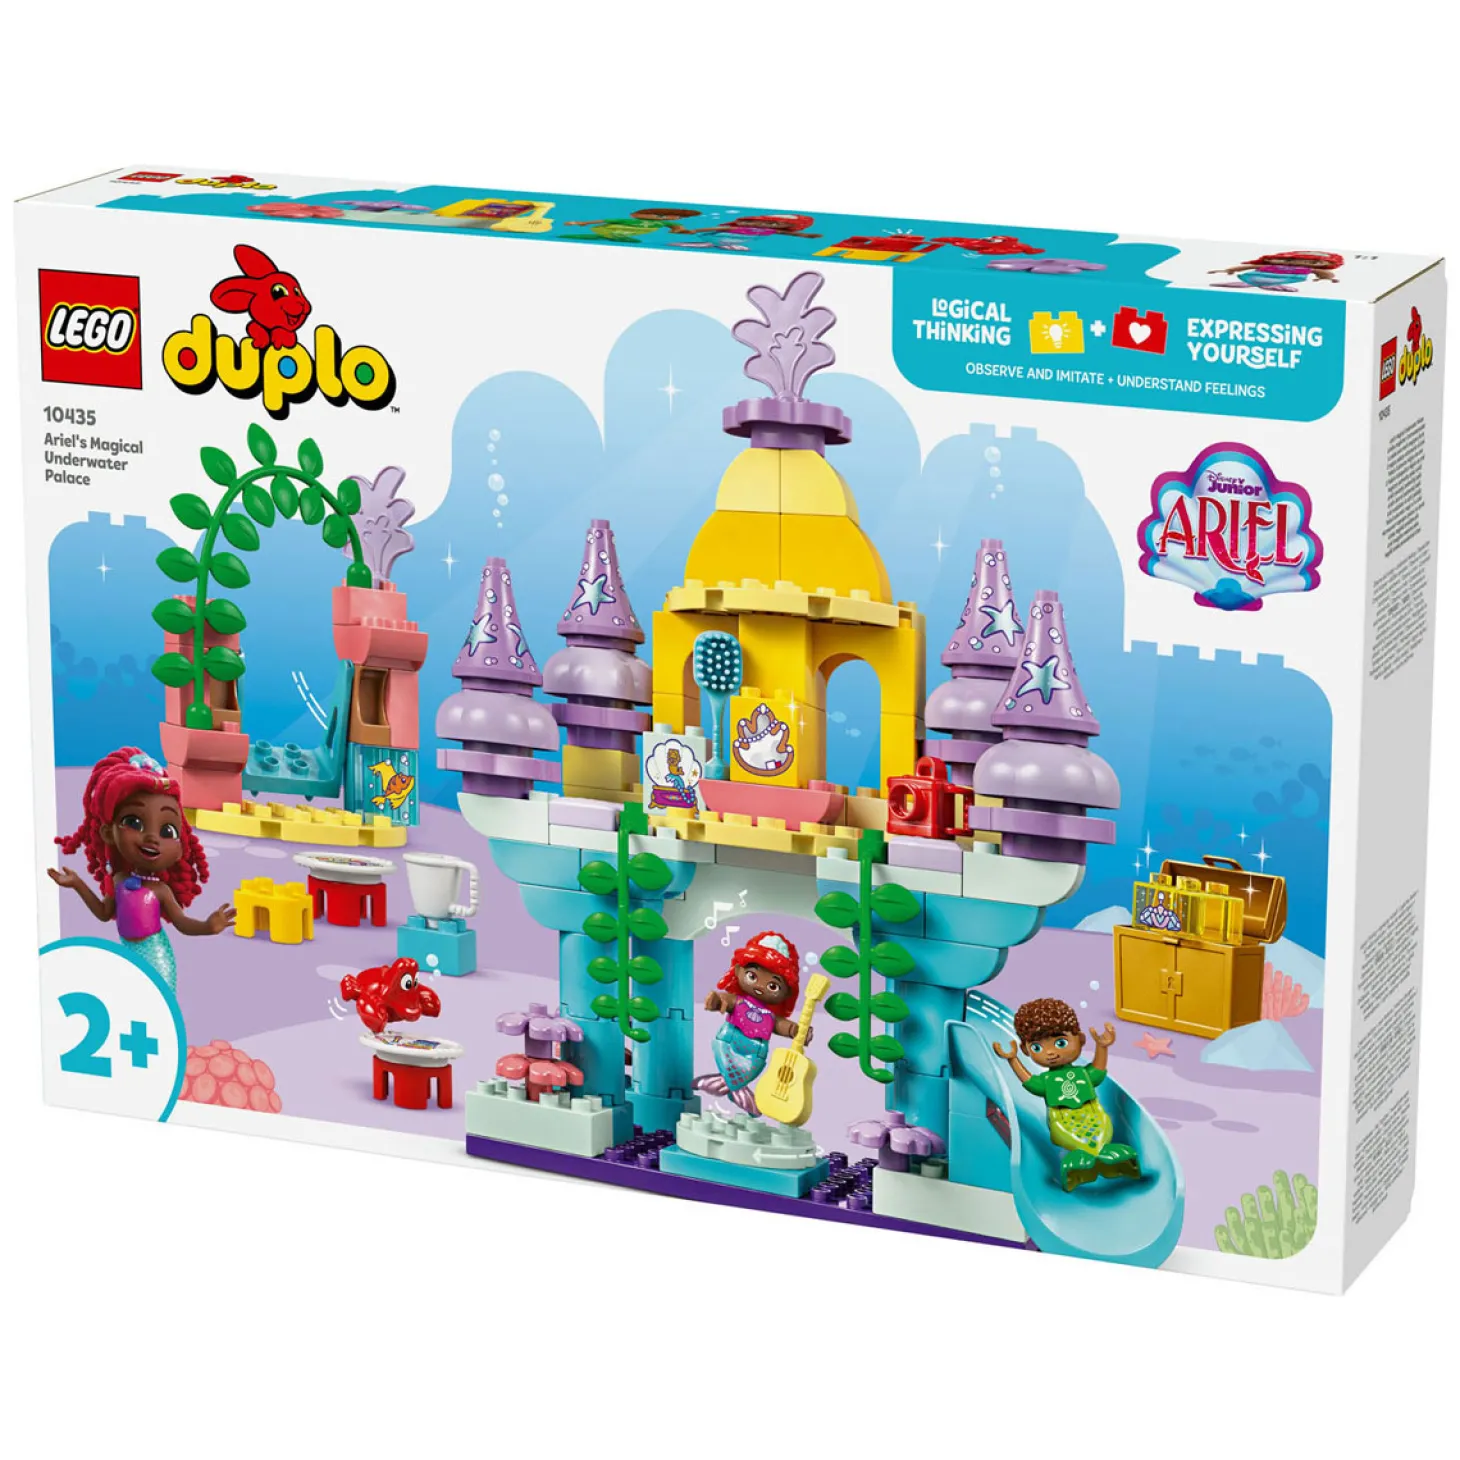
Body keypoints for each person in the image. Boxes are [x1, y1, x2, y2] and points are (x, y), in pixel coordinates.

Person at [48, 748, 235, 990]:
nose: (152, 838)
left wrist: (208, 927)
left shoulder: (160, 891)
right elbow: (104, 913)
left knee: (160, 997)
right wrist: (77, 884)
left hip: (157, 956)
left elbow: (182, 923)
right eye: (134, 822)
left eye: (167, 831)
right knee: (133, 998)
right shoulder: (119, 880)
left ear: (180, 848)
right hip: (129, 954)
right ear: (108, 832)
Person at [992, 997, 1141, 1192]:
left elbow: (1097, 1072)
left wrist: (1102, 1047)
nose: (1050, 1053)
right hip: (1061, 1120)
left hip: (1092, 1113)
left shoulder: (1082, 1074)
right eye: (1037, 1047)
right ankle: (1085, 1165)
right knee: (1077, 1144)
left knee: (1101, 1135)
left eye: (1060, 1043)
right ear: (1025, 1050)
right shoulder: (1047, 1081)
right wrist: (1012, 1060)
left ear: (1080, 1039)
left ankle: (1100, 1160)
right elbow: (1030, 1083)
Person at [695, 931, 806, 1117]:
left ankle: (729, 1086)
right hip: (728, 1043)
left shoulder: (771, 1016)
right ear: (739, 970)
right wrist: (716, 1001)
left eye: (773, 986)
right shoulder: (737, 1001)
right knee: (731, 1072)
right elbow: (725, 1000)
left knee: (741, 1075)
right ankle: (734, 1088)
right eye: (752, 976)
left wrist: (796, 1030)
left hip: (754, 1056)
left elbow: (782, 1026)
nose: (760, 987)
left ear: (786, 993)